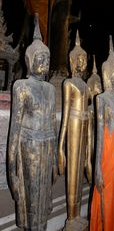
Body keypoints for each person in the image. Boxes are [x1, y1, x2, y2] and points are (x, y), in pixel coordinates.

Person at [7, 14, 57, 231]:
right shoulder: (21, 87)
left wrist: (55, 159)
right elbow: (14, 132)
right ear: (29, 61)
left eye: (47, 58)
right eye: (40, 58)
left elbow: (53, 127)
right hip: (29, 149)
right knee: (31, 202)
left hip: (47, 148)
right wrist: (12, 172)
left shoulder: (51, 89)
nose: (44, 62)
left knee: (44, 201)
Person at [90, 35, 114, 231]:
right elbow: (99, 137)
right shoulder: (101, 99)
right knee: (105, 203)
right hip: (105, 162)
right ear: (108, 73)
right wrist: (97, 170)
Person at [58, 30, 89, 231]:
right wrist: (61, 147)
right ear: (72, 60)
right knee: (73, 171)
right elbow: (66, 114)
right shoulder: (68, 83)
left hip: (84, 126)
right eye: (80, 58)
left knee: (79, 172)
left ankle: (77, 215)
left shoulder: (85, 85)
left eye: (84, 58)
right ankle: (70, 217)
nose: (83, 62)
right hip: (73, 125)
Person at [86, 55, 102, 183]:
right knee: (90, 153)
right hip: (91, 138)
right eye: (98, 86)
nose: (100, 89)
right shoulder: (90, 109)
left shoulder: (101, 107)